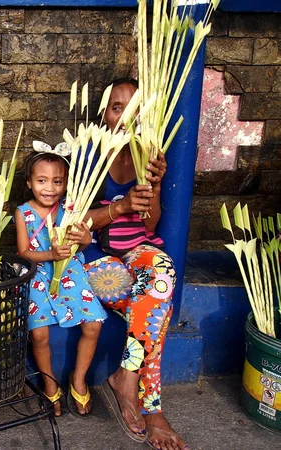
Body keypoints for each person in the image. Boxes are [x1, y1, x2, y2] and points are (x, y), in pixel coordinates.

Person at [83, 78, 186, 450]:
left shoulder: (151, 155)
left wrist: (153, 190)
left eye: (134, 108)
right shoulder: (88, 154)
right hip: (95, 256)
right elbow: (76, 223)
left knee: (162, 273)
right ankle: (152, 408)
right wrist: (120, 206)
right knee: (156, 308)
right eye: (116, 107)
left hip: (137, 251)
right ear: (104, 114)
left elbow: (151, 225)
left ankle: (126, 374)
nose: (125, 116)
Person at [14, 151, 107, 418]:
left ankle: (78, 379)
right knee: (39, 333)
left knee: (94, 323)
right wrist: (51, 255)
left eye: (57, 181)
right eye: (42, 181)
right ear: (30, 182)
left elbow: (84, 243)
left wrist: (87, 239)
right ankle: (50, 384)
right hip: (37, 272)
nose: (50, 188)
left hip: (70, 271)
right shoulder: (23, 213)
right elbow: (23, 253)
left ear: (65, 184)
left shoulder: (70, 208)